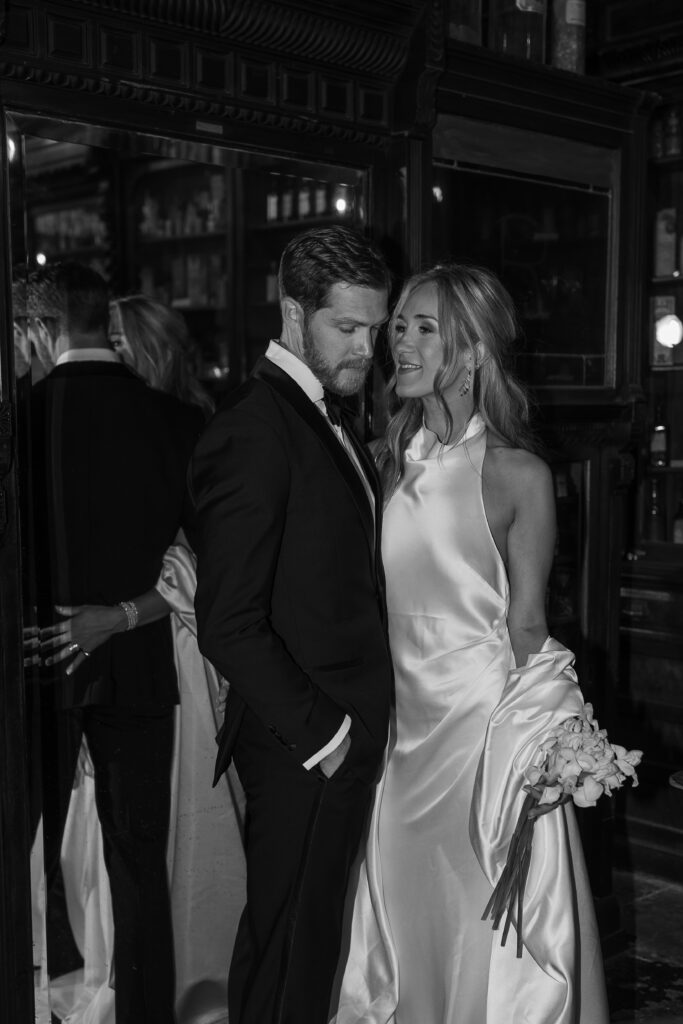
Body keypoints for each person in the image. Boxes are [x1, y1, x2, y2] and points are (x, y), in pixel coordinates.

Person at [331, 263, 609, 1024]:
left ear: (474, 350)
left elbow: (525, 624)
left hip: (478, 740)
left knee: (479, 919)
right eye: (401, 328)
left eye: (426, 329)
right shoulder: (382, 461)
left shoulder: (518, 474)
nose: (403, 345)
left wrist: (554, 736)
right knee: (404, 915)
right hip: (396, 735)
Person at [188, 224, 394, 1024]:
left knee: (299, 947)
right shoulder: (253, 428)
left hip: (324, 732)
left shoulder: (321, 414)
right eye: (346, 327)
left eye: (373, 329)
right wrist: (328, 739)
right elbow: (227, 623)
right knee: (288, 952)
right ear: (291, 311)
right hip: (303, 742)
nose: (365, 349)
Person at [39, 292, 246, 1024]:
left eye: (126, 341)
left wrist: (121, 614)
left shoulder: (190, 429)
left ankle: (181, 984)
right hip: (135, 655)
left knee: (174, 838)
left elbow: (211, 563)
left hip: (179, 648)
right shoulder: (154, 426)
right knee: (112, 853)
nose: (118, 354)